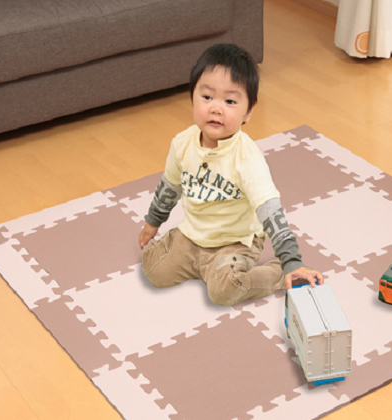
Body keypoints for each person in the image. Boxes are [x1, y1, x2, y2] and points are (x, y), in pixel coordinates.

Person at [138, 43, 323, 306]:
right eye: (207, 97)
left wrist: (292, 260)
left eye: (230, 101)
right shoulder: (182, 144)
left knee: (224, 291)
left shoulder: (247, 159)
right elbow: (170, 186)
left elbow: (271, 212)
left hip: (235, 243)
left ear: (249, 110)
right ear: (192, 97)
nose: (216, 108)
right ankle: (202, 266)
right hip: (192, 237)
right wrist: (153, 222)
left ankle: (280, 273)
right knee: (153, 270)